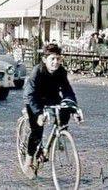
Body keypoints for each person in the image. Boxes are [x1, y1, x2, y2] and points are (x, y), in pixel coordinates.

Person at [22, 43, 77, 179]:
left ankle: (56, 137)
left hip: (52, 98)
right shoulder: (37, 71)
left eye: (58, 59)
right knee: (37, 130)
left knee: (65, 111)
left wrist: (74, 108)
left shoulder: (61, 72)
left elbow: (67, 91)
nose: (55, 62)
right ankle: (28, 162)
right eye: (52, 59)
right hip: (34, 99)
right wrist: (38, 114)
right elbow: (30, 94)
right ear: (45, 59)